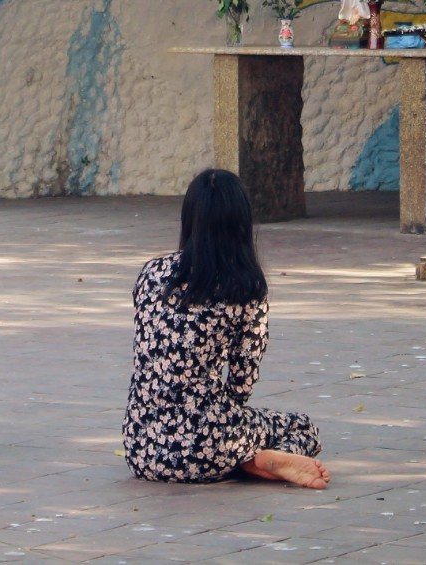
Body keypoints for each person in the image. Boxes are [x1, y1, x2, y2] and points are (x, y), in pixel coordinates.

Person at [123, 168, 328, 489]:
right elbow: (241, 383)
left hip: (142, 447)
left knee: (223, 425)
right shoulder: (244, 287)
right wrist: (226, 427)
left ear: (189, 218)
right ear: (241, 224)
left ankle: (247, 457)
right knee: (302, 428)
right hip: (209, 445)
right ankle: (255, 460)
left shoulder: (151, 274)